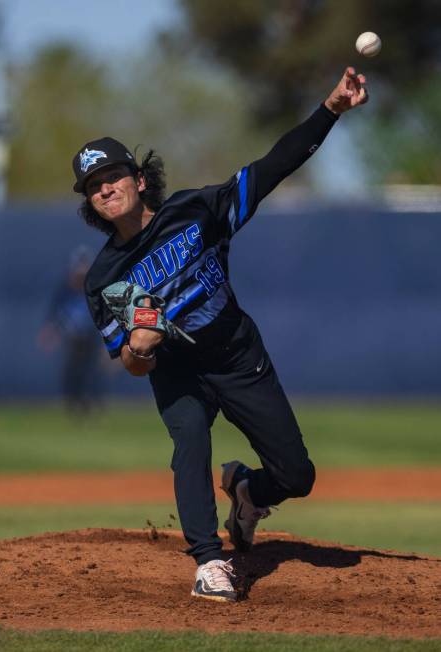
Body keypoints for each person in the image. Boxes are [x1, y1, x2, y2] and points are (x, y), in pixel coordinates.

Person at [74, 67, 368, 602]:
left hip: (236, 352)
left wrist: (330, 110)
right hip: (180, 372)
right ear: (90, 203)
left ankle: (249, 491)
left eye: (113, 175)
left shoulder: (198, 210)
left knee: (298, 476)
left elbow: (274, 166)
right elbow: (132, 361)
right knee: (189, 441)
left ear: (139, 179)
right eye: (93, 186)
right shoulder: (106, 278)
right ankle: (209, 562)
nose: (105, 188)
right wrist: (139, 355)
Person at [38, 246, 104, 414]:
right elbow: (56, 315)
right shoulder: (65, 291)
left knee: (91, 371)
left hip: (90, 337)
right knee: (73, 371)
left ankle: (90, 404)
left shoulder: (94, 290)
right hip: (74, 338)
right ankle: (73, 403)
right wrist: (50, 333)